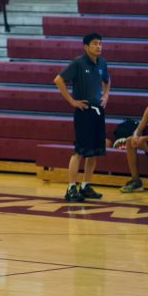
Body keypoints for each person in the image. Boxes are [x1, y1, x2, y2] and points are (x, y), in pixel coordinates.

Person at [54, 32, 111, 202]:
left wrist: (106, 95)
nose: (98, 46)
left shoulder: (102, 63)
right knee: (79, 151)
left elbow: (107, 80)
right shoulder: (78, 62)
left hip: (97, 111)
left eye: (100, 43)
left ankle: (85, 185)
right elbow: (58, 80)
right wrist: (72, 101)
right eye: (95, 43)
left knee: (93, 151)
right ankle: (71, 188)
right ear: (86, 47)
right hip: (83, 111)